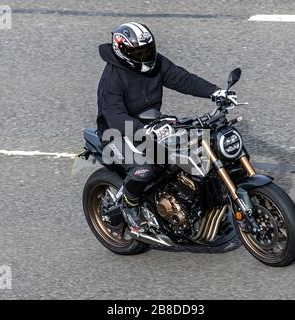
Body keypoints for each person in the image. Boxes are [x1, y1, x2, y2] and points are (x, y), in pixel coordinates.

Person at [96, 22, 228, 234]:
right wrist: (144, 131)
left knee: (197, 145)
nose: (145, 55)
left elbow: (181, 79)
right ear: (123, 52)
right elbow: (115, 116)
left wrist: (215, 92)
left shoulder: (155, 63)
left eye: (148, 49)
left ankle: (199, 202)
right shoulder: (112, 79)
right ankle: (130, 206)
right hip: (117, 132)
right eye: (139, 52)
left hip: (152, 122)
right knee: (145, 167)